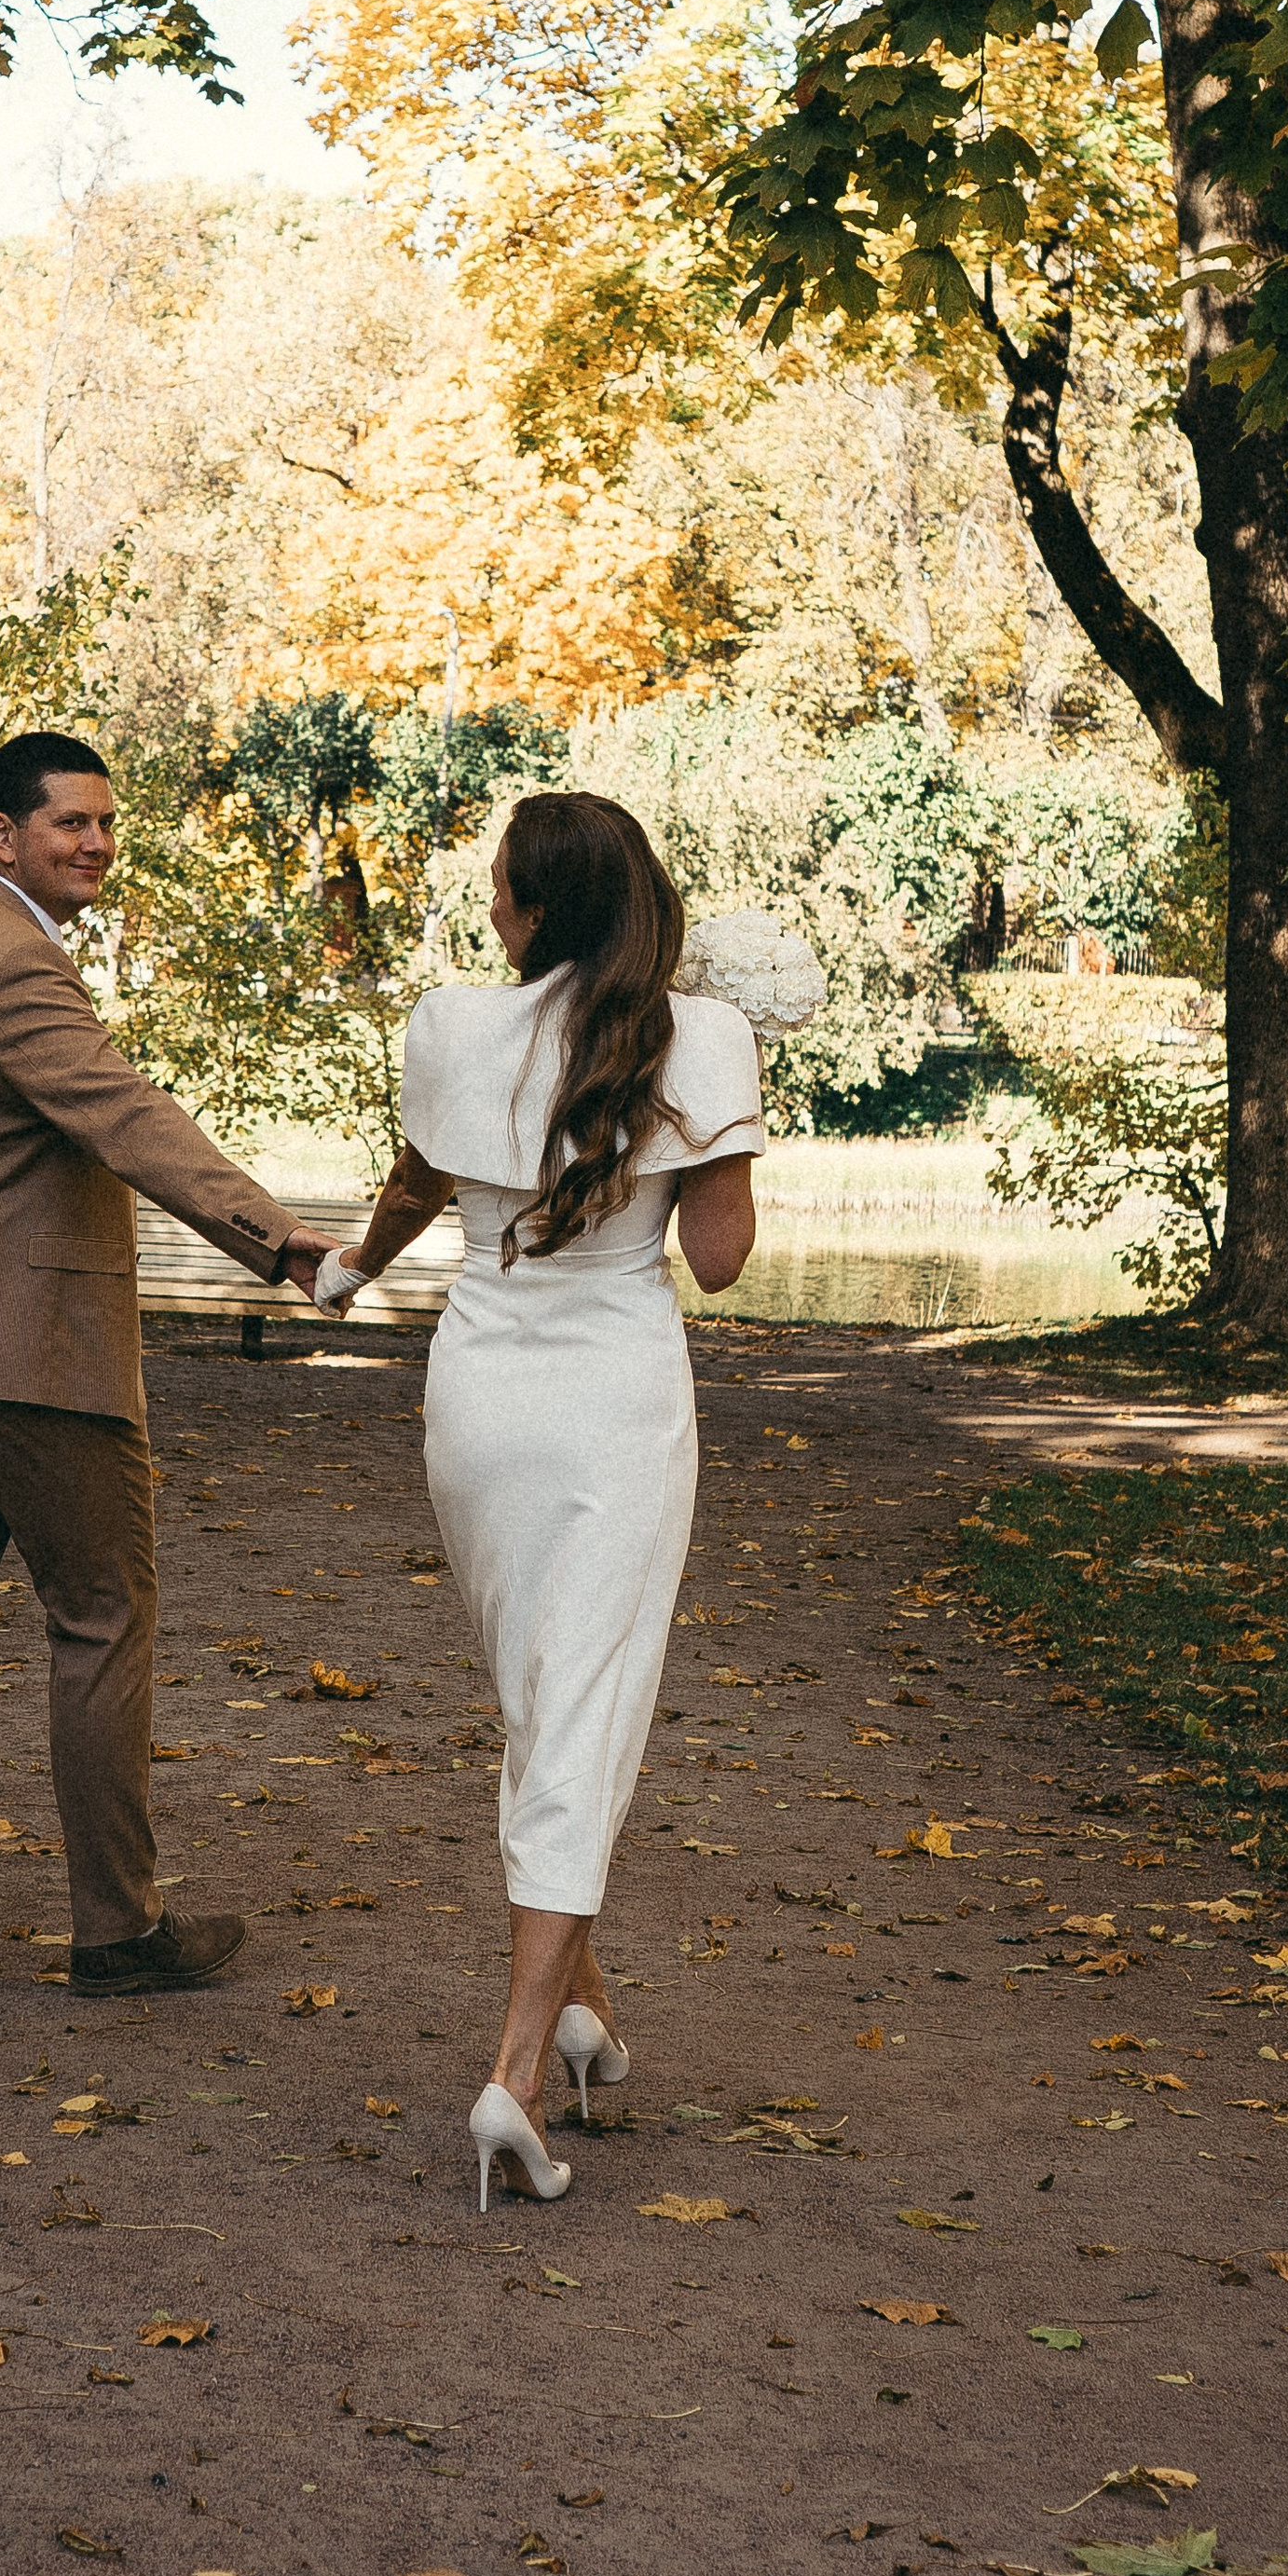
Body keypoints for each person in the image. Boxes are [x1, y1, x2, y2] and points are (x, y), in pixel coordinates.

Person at [0, 728, 337, 2022]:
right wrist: (281, 1243)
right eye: (69, 825)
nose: (96, 843)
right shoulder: (14, 965)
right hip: (20, 1352)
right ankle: (119, 1927)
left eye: (106, 823)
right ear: (4, 835)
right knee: (103, 1618)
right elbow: (127, 1117)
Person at [321, 792, 760, 2208]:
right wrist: (729, 1122)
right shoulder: (701, 1039)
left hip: (482, 1389)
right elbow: (723, 1259)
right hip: (615, 1397)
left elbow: (411, 1184)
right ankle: (514, 2074)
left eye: (500, 888)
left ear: (532, 908)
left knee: (542, 1699)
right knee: (586, 1707)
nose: (490, 909)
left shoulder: (450, 1023)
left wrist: (348, 1276)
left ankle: (584, 2011)